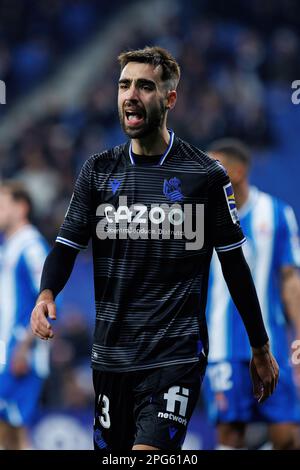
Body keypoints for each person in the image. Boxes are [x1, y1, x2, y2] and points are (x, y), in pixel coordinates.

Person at [30, 46, 278, 451]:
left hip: (175, 355)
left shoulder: (205, 175)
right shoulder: (98, 170)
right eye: (124, 85)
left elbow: (235, 265)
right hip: (111, 355)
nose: (131, 94)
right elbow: (65, 246)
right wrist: (46, 293)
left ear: (170, 98)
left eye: (145, 86)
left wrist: (260, 345)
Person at [204, 138, 300, 450]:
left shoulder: (276, 214)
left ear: (238, 171)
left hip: (272, 345)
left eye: (214, 165)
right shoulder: (199, 220)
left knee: (286, 437)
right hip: (222, 347)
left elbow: (290, 281)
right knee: (230, 437)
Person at [0, 182, 49, 450]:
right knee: (6, 431)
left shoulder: (31, 246)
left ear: (21, 208)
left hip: (21, 354)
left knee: (17, 433)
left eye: (2, 205)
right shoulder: (8, 246)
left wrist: (25, 347)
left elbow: (50, 298)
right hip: (5, 352)